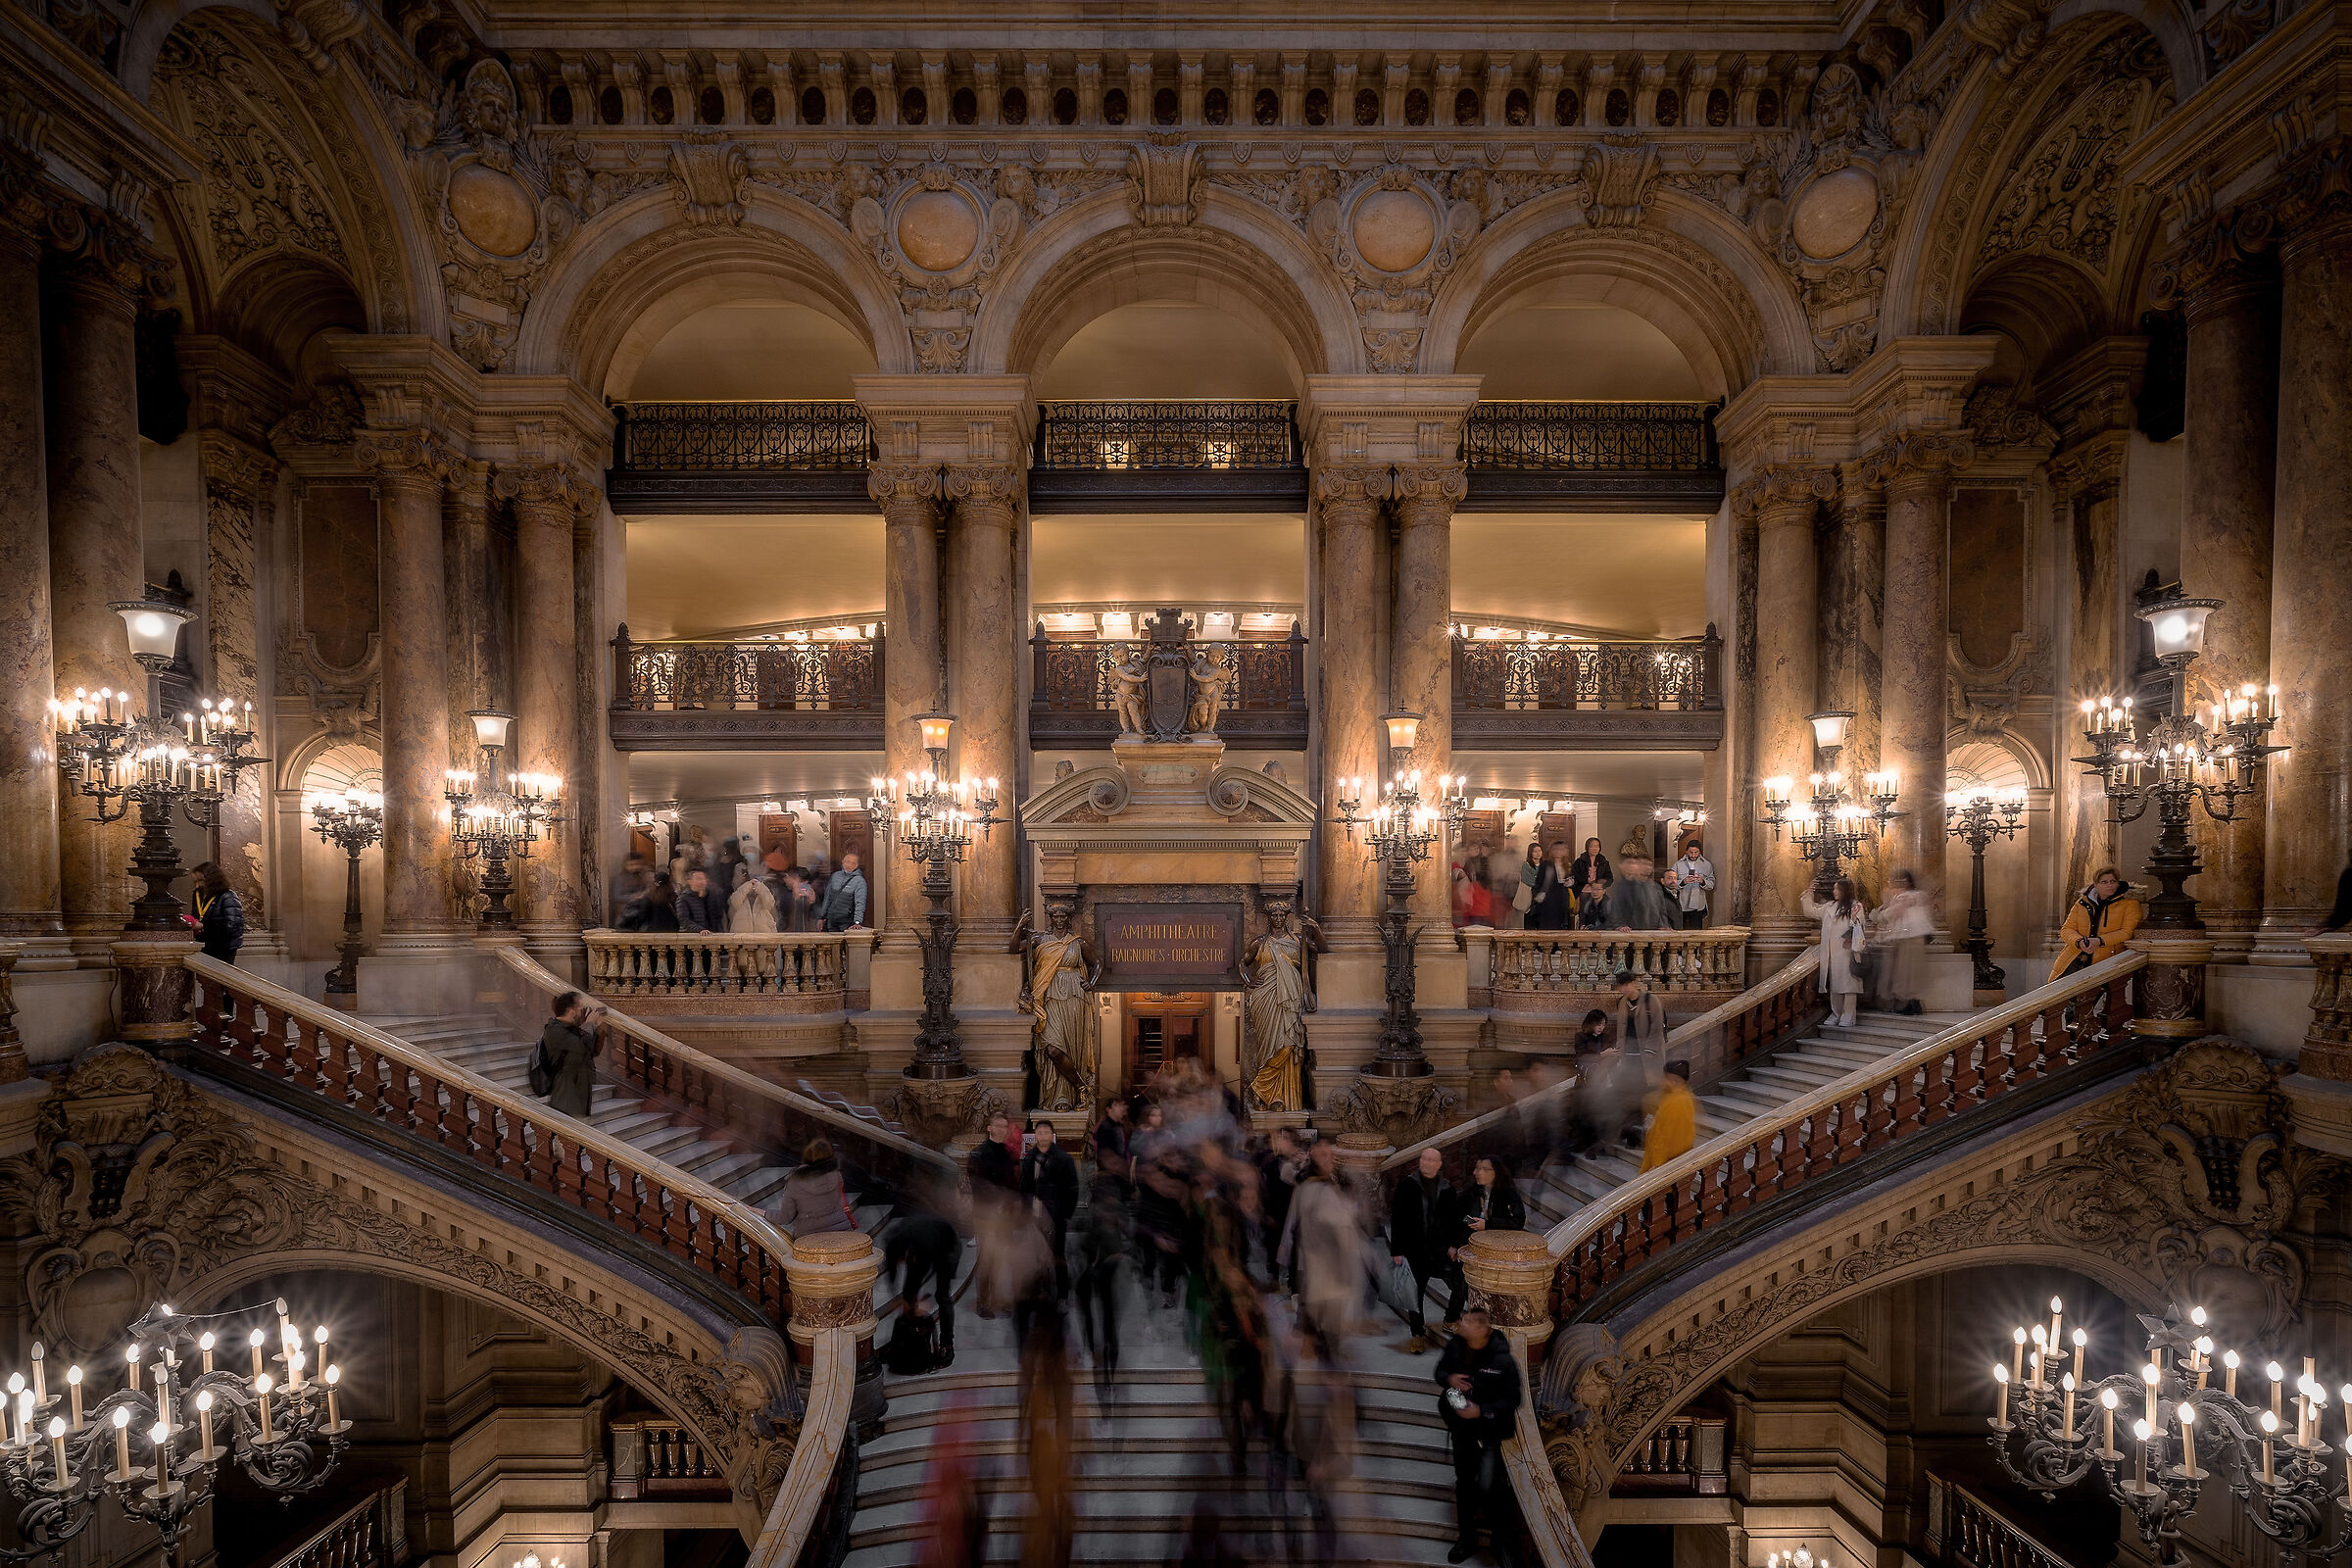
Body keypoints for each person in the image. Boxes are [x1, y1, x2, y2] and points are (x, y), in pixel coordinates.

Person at [1436, 1304, 1524, 1567]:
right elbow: (1439, 1373)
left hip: (1489, 1435)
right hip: (1462, 1433)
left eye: (1466, 1321)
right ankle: (1467, 1539)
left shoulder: (1502, 1360)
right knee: (1465, 1484)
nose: (1461, 1324)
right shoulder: (1455, 1347)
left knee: (1490, 1488)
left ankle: (1501, 1543)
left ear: (1482, 1328)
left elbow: (1513, 1400)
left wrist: (1481, 1411)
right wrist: (1450, 1378)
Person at [1389, 1146, 1465, 1354]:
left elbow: (1453, 1220)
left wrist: (1454, 1245)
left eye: (1432, 1160)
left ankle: (1451, 1319)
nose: (1427, 1163)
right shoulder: (1407, 1185)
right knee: (1415, 1295)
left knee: (1460, 1284)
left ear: (1439, 1165)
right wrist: (1397, 1250)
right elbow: (1398, 1219)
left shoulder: (1447, 1188)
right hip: (1415, 1250)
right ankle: (1417, 1334)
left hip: (1441, 1250)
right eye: (1424, 1159)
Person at [885, 1206, 961, 1367]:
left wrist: (924, 1305)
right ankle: (906, 1341)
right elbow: (892, 1275)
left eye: (904, 1260)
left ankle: (947, 1345)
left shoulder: (926, 1244)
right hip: (922, 1241)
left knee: (942, 1295)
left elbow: (940, 1275)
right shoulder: (893, 1244)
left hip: (948, 1246)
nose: (902, 1264)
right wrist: (902, 1302)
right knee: (909, 1292)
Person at [2049, 867, 2145, 981]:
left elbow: (2127, 932)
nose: (2109, 885)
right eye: (2104, 882)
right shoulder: (2082, 903)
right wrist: (2079, 942)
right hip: (2074, 958)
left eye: (2113, 881)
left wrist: (2099, 941)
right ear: (2096, 885)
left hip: (2108, 959)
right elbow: (2066, 929)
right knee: (2057, 995)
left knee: (2104, 996)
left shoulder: (2130, 904)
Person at [1021, 1119, 1080, 1296]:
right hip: (1036, 1214)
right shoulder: (1030, 1158)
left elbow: (1072, 1188)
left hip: (1056, 1214)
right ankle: (1040, 1289)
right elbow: (1025, 1186)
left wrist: (1065, 1214)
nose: (1043, 1136)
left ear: (1052, 1136)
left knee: (1058, 1255)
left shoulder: (1063, 1158)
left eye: (1047, 1132)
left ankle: (1062, 1294)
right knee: (1037, 1254)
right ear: (1036, 1135)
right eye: (1040, 1132)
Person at [1808, 876, 1871, 1028]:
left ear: (1845, 890)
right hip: (1832, 952)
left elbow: (1860, 927)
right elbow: (1811, 911)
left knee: (1849, 985)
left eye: (1837, 888)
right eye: (1834, 888)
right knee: (1835, 984)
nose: (1834, 891)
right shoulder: (1830, 906)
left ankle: (1848, 1015)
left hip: (1848, 951)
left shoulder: (1856, 906)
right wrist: (1809, 892)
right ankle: (1836, 1013)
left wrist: (1854, 918)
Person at [1874, 869, 1933, 1014]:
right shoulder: (1918, 895)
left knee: (1904, 973)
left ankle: (1906, 1005)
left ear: (1905, 882)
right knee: (1910, 974)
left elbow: (1892, 913)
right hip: (1913, 938)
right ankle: (1912, 1004)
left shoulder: (1905, 896)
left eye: (1897, 882)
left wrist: (1878, 915)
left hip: (1907, 939)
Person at [538, 990, 603, 1119]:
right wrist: (589, 1024)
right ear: (571, 1010)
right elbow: (581, 1046)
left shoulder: (570, 1030)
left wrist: (599, 1027)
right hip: (566, 1099)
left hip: (578, 1096)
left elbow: (592, 1051)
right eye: (580, 1008)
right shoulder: (554, 1030)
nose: (582, 1012)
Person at [773, 1138, 858, 1236]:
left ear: (807, 1155)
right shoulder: (836, 1175)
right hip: (842, 1232)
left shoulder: (795, 1180)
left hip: (810, 1238)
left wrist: (764, 1214)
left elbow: (786, 1217)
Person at [1612, 969, 1667, 1091]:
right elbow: (1621, 1028)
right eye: (1621, 986)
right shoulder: (1621, 1002)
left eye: (1626, 984)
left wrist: (1650, 1050)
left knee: (1649, 1086)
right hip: (1628, 1052)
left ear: (1634, 983)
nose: (1624, 989)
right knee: (1630, 1087)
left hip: (1647, 1053)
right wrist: (1619, 1049)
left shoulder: (1650, 1000)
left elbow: (1657, 1027)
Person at [1640, 1059, 1697, 1172]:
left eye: (1670, 1079)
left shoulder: (1674, 1102)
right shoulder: (1686, 1096)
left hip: (1666, 1162)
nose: (1664, 1082)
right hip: (1678, 1157)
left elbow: (1662, 1134)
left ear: (1678, 1081)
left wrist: (1657, 1163)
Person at [187, 862, 244, 963]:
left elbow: (232, 926)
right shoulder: (198, 896)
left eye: (200, 881)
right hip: (203, 946)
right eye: (195, 881)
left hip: (223, 949)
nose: (197, 885)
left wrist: (203, 926)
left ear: (211, 879)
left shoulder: (228, 896)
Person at [1601, 855, 1677, 930]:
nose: (1647, 867)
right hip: (1632, 931)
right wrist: (1620, 925)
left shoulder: (1656, 887)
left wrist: (1663, 926)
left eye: (1649, 865)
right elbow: (1616, 909)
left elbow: (1661, 911)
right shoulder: (1625, 886)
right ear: (1637, 866)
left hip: (1652, 932)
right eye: (1644, 864)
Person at [1465, 1156, 1527, 1235]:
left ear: (1496, 1172)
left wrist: (1488, 1224)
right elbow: (1461, 1215)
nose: (1476, 1173)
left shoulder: (1508, 1193)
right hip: (1473, 1239)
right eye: (1477, 1168)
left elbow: (1517, 1222)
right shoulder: (1472, 1191)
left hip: (1499, 1241)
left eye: (1485, 1169)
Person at [1526, 841, 1577, 931]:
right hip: (1548, 901)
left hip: (1562, 900)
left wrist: (1571, 882)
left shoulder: (1567, 865)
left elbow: (1574, 881)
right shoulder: (1546, 865)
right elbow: (1539, 883)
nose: (1558, 852)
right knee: (1548, 928)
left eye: (1561, 849)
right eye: (1556, 849)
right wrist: (1539, 895)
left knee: (1562, 928)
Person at [1092, 1097, 1135, 1200]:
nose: (1121, 1108)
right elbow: (1104, 1154)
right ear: (1108, 1109)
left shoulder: (1119, 1126)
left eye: (1122, 1105)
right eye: (1117, 1105)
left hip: (1119, 1177)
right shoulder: (1105, 1127)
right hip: (1111, 1180)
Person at [1666, 842, 1715, 929]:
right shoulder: (1678, 865)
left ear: (1699, 852)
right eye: (1691, 852)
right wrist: (1683, 882)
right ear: (1686, 852)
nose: (1693, 855)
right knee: (1680, 933)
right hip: (1682, 905)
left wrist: (1702, 881)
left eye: (1696, 852)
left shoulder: (1707, 865)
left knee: (1696, 934)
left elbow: (1711, 884)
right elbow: (1669, 883)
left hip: (1698, 906)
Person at [818, 851, 868, 931]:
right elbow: (828, 897)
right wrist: (822, 917)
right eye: (847, 862)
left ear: (857, 865)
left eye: (853, 863)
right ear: (843, 862)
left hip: (847, 921)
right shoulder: (835, 876)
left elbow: (860, 902)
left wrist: (857, 922)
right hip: (831, 920)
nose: (849, 865)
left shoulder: (859, 881)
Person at [1571, 838, 1613, 928]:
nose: (1595, 849)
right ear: (1587, 848)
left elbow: (1610, 878)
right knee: (1584, 914)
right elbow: (1574, 875)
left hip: (1599, 890)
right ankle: (1582, 929)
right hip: (1584, 890)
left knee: (1603, 911)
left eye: (1597, 846)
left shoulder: (1603, 862)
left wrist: (1601, 883)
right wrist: (1587, 880)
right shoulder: (1580, 861)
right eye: (1592, 846)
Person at [608, 852, 654, 928]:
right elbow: (616, 896)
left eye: (638, 864)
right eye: (632, 865)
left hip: (641, 913)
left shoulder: (643, 876)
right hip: (625, 913)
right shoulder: (620, 878)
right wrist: (632, 897)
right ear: (625, 865)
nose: (635, 867)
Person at [727, 869, 778, 933]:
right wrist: (747, 887)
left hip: (764, 937)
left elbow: (769, 903)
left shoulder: (764, 895)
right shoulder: (739, 894)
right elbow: (735, 901)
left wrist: (761, 888)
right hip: (742, 936)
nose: (753, 884)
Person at [674, 867, 721, 933]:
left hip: (712, 935)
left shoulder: (711, 896)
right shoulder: (683, 899)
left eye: (703, 879)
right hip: (691, 936)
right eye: (698, 879)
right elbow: (684, 920)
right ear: (689, 881)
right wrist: (700, 929)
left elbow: (717, 917)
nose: (702, 881)